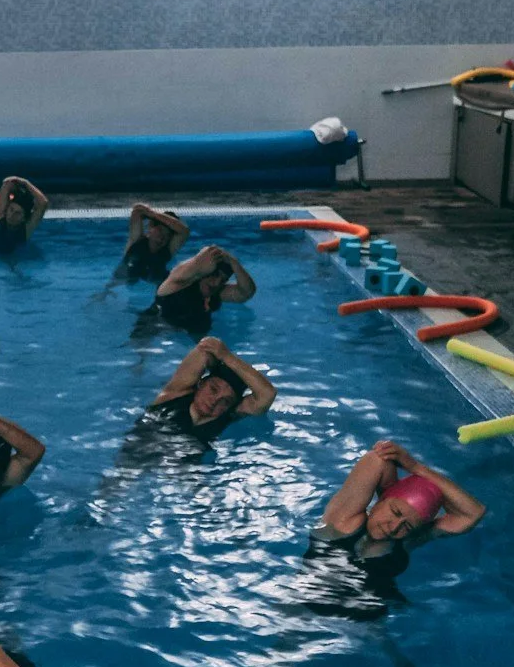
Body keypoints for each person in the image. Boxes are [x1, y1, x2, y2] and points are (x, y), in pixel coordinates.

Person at [307, 439, 487, 585]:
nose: (394, 528)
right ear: (381, 498)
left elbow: (473, 513)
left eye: (407, 525)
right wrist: (399, 479)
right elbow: (377, 460)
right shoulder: (343, 519)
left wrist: (418, 468)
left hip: (366, 618)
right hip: (309, 606)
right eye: (395, 512)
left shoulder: (410, 539)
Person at [142, 336, 275, 443]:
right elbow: (205, 347)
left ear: (231, 406)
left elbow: (268, 394)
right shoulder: (174, 394)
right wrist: (223, 356)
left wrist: (227, 357)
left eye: (225, 401)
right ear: (201, 383)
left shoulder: (229, 416)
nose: (214, 401)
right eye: (213, 389)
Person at [153, 243, 256, 334]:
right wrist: (198, 262)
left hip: (193, 336)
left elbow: (247, 292)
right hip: (156, 327)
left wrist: (233, 262)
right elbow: (178, 273)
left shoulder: (215, 292)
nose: (216, 283)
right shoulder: (176, 285)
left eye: (223, 280)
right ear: (204, 272)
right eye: (214, 275)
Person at [120, 202, 188, 281]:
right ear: (150, 227)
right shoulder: (137, 239)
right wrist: (152, 214)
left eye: (167, 234)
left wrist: (153, 215)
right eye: (160, 230)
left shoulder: (169, 249)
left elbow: (184, 231)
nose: (162, 237)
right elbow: (137, 210)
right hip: (126, 281)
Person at [0, 176, 47, 250]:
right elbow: (6, 185)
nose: (12, 215)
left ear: (23, 218)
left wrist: (26, 183)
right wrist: (19, 181)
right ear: (7, 208)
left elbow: (43, 203)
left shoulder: (26, 229)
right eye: (11, 209)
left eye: (18, 213)